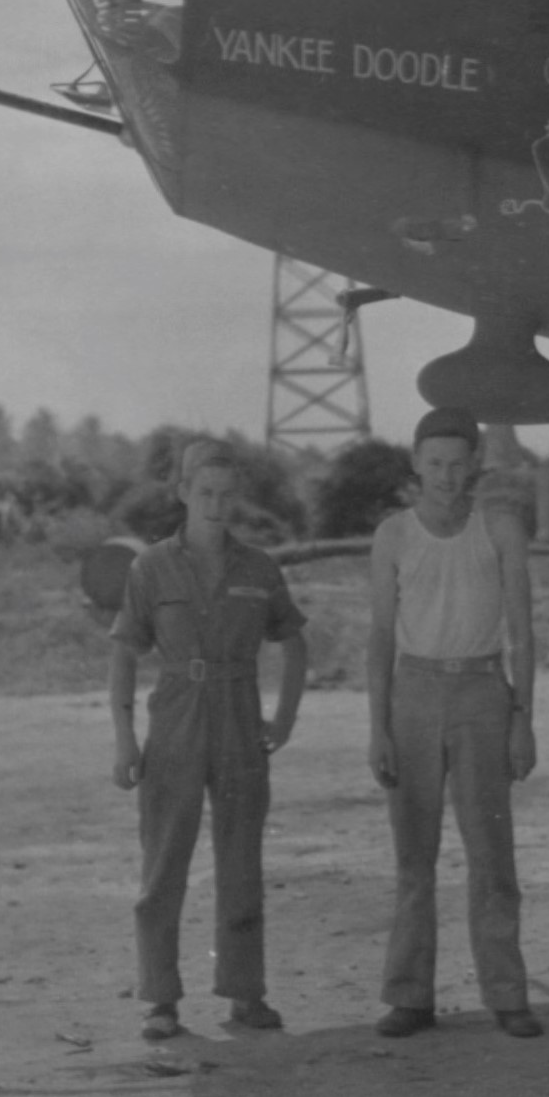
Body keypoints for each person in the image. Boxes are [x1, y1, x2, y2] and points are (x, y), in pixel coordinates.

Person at [109, 438, 308, 1040]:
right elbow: (123, 649)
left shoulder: (259, 568)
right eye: (204, 494)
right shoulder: (151, 567)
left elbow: (293, 641)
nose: (216, 506)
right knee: (165, 858)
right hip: (176, 714)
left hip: (241, 714)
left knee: (241, 860)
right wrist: (123, 738)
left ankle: (245, 995)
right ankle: (160, 999)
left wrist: (286, 717)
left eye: (226, 495)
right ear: (182, 495)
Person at [366, 406, 542, 1039]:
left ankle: (507, 992)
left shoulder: (500, 529)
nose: (445, 476)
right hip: (412, 693)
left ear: (475, 467)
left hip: (481, 693)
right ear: (416, 463)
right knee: (414, 855)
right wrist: (378, 726)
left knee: (491, 852)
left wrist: (523, 719)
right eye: (434, 463)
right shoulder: (393, 535)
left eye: (457, 464)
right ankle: (410, 995)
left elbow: (522, 633)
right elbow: (381, 636)